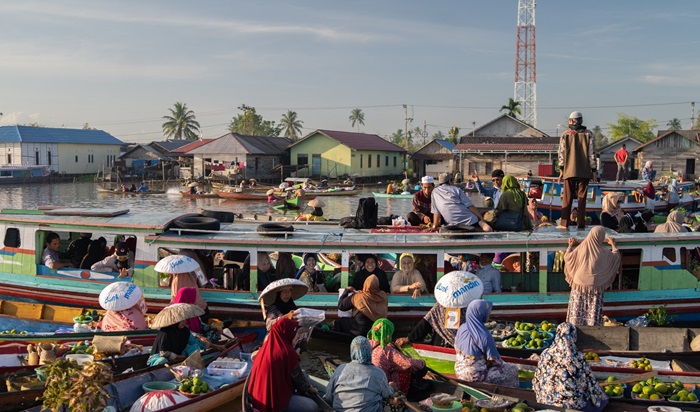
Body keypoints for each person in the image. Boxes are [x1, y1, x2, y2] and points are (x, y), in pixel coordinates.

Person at [533, 323, 608, 412]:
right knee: (602, 401)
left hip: (545, 401)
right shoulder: (577, 356)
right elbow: (590, 381)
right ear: (574, 337)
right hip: (571, 405)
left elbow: (537, 379)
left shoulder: (545, 353)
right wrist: (600, 394)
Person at [247, 318, 318, 412]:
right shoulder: (288, 353)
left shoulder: (264, 349)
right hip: (275, 404)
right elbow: (300, 382)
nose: (296, 336)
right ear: (288, 333)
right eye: (295, 333)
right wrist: (310, 389)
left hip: (257, 399)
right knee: (312, 406)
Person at [564, 226, 621, 326]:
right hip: (595, 286)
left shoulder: (582, 247)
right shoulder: (604, 251)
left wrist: (570, 246)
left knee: (577, 310)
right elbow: (616, 257)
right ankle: (592, 331)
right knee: (593, 312)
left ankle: (574, 329)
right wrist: (613, 245)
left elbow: (568, 257)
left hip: (579, 284)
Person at [454, 300, 518, 386]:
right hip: (475, 377)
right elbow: (496, 362)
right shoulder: (485, 336)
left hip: (459, 371)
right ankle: (508, 393)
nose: (488, 315)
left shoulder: (462, 327)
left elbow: (456, 346)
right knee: (512, 370)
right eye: (487, 312)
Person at [325, 336, 394, 412]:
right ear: (369, 351)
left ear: (352, 351)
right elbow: (386, 394)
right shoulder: (379, 373)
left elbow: (328, 396)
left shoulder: (340, 369)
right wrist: (391, 387)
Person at [557, 111, 597, 229]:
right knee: (582, 200)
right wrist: (594, 171)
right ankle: (581, 224)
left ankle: (564, 224)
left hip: (569, 171)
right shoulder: (589, 134)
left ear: (572, 121)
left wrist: (561, 170)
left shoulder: (566, 134)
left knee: (567, 198)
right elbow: (592, 154)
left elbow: (561, 153)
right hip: (584, 171)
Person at [368, 318, 426, 396]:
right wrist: (422, 363)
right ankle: (402, 396)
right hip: (383, 386)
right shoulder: (387, 350)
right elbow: (408, 363)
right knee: (406, 371)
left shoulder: (366, 344)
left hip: (368, 384)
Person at [396, 302, 467, 348]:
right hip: (463, 348)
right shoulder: (469, 307)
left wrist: (409, 338)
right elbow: (426, 322)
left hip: (441, 345)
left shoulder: (440, 306)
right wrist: (409, 338)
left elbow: (426, 322)